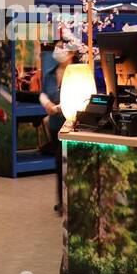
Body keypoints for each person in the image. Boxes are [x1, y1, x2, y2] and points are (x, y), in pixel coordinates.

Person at [40, 38, 81, 214]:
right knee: (59, 164)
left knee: (72, 164)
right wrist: (47, 103)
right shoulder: (50, 73)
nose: (58, 52)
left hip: (73, 126)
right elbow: (42, 93)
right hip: (56, 126)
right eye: (56, 48)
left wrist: (57, 108)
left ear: (71, 53)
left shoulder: (79, 74)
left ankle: (73, 200)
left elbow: (80, 98)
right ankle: (62, 200)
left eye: (62, 48)